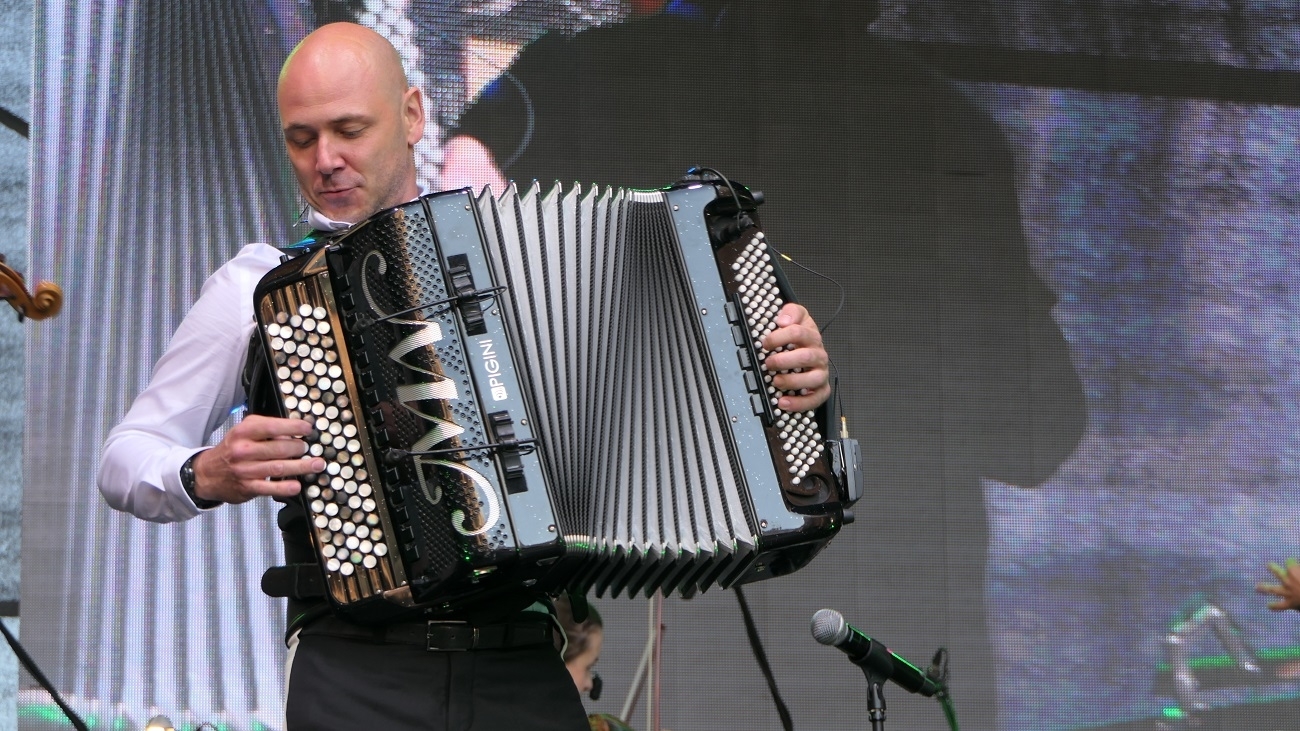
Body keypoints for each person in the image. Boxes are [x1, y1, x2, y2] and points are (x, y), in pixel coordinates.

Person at [96, 20, 833, 731]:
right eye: (302, 138)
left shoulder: (527, 250)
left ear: (413, 115)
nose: (325, 159)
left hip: (525, 662)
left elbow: (678, 387)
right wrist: (205, 472)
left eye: (350, 130)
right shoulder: (259, 287)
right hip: (355, 668)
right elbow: (126, 455)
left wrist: (786, 378)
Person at [442, 3, 1086, 729]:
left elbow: (481, 156)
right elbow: (1042, 433)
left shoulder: (599, 71)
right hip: (838, 621)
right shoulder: (949, 129)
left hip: (736, 633)